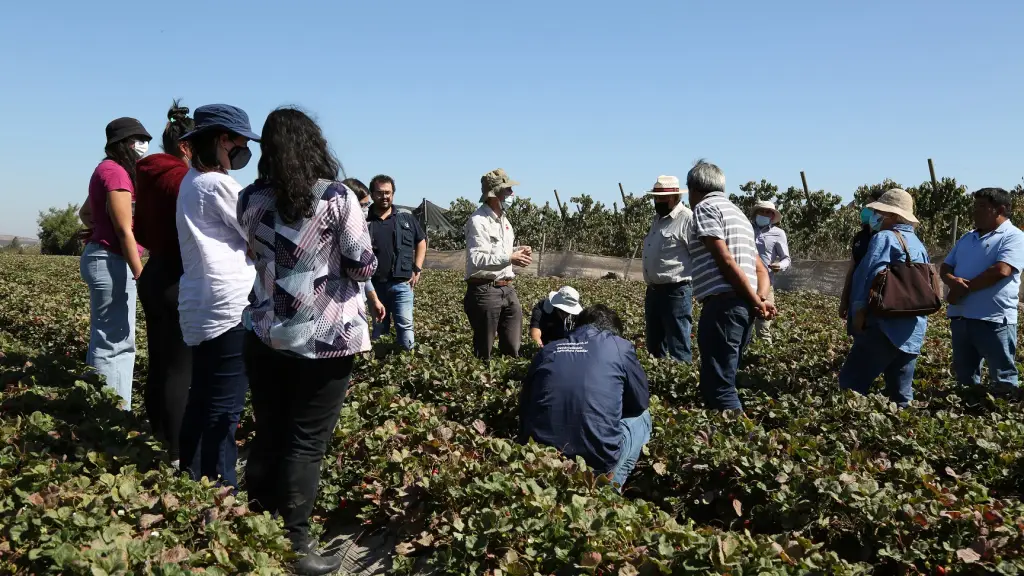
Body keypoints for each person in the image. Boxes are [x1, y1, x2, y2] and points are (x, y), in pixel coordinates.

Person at [238, 107, 376, 576]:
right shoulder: (337, 198)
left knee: (270, 430)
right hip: (326, 337)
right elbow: (360, 263)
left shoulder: (250, 199)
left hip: (266, 332)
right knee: (306, 441)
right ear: (314, 144)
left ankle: (254, 527)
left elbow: (254, 253)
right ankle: (298, 545)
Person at [175, 104, 259, 490]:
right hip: (229, 305)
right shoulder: (219, 185)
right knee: (225, 407)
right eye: (238, 144)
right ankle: (222, 490)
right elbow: (259, 235)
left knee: (202, 397)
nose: (241, 152)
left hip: (200, 303)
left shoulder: (190, 182)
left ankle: (190, 478)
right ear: (219, 140)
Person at [519, 305, 650, 491]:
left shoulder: (548, 350)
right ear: (614, 332)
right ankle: (609, 486)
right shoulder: (619, 346)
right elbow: (640, 401)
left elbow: (525, 404)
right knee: (643, 418)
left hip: (541, 456)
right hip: (597, 459)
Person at [686, 160, 775, 411]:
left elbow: (725, 260)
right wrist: (760, 299)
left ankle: (742, 441)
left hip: (724, 306)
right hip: (742, 308)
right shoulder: (738, 215)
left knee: (719, 387)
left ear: (694, 189)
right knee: (725, 376)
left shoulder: (705, 208)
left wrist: (755, 300)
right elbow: (760, 268)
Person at [134, 101, 193, 466]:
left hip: (154, 272)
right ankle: (176, 451)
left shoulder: (150, 172)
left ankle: (156, 432)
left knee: (160, 360)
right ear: (187, 146)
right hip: (179, 276)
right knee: (180, 368)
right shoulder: (184, 180)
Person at [80, 116, 152, 409]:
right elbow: (125, 230)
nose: (144, 146)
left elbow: (86, 213)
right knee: (114, 344)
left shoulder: (106, 170)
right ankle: (111, 413)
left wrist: (99, 229)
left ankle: (100, 407)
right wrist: (140, 273)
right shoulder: (117, 173)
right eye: (138, 140)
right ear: (122, 143)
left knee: (109, 340)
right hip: (112, 261)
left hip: (103, 258)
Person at [840, 188, 929, 407]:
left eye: (881, 213)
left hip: (883, 327)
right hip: (912, 330)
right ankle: (904, 434)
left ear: (893, 216)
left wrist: (859, 313)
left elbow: (867, 277)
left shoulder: (884, 238)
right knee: (900, 395)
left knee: (851, 385)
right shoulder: (917, 243)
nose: (876, 217)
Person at [941, 187, 1024, 388]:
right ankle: (970, 411)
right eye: (975, 206)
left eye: (982, 206)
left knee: (1002, 374)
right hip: (962, 317)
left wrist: (963, 289)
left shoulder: (1014, 236)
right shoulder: (967, 237)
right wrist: (952, 280)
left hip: (993, 319)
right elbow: (945, 266)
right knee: (965, 375)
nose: (975, 211)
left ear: (1000, 209)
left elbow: (1001, 270)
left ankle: (1003, 413)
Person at [463, 169, 532, 359]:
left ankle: (506, 383)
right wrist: (510, 257)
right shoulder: (478, 221)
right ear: (494, 194)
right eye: (508, 190)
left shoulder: (505, 221)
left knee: (512, 344)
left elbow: (499, 252)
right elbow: (477, 259)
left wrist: (518, 250)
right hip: (484, 290)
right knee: (484, 349)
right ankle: (482, 383)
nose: (512, 194)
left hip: (507, 288)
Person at [367, 175, 426, 350]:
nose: (385, 197)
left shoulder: (405, 218)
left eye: (388, 193)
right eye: (380, 193)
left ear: (393, 194)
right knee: (379, 327)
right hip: (374, 284)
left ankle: (407, 364)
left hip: (402, 283)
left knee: (405, 326)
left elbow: (421, 241)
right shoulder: (364, 219)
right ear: (372, 194)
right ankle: (379, 366)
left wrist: (417, 268)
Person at [641, 175, 694, 362]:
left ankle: (680, 384)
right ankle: (658, 383)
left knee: (678, 344)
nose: (658, 202)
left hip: (676, 291)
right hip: (654, 290)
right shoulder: (657, 219)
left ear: (674, 197)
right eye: (656, 197)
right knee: (654, 345)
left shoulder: (687, 219)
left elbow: (697, 254)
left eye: (662, 198)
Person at [342, 177, 386, 323]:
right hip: (340, 305)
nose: (365, 210)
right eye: (362, 205)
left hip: (356, 300)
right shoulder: (342, 234)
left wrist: (374, 300)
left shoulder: (362, 229)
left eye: (367, 204)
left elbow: (363, 276)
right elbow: (362, 269)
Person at [839, 188, 886, 323]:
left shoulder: (888, 237)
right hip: (857, 297)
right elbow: (852, 268)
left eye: (871, 205)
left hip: (878, 301)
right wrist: (844, 300)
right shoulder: (860, 236)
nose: (867, 209)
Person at [750, 200, 791, 342]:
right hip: (744, 283)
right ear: (756, 213)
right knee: (743, 325)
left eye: (769, 212)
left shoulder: (778, 233)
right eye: (762, 211)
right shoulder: (746, 229)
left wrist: (779, 265)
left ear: (772, 217)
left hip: (766, 285)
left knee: (763, 326)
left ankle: (765, 359)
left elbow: (786, 258)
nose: (765, 214)